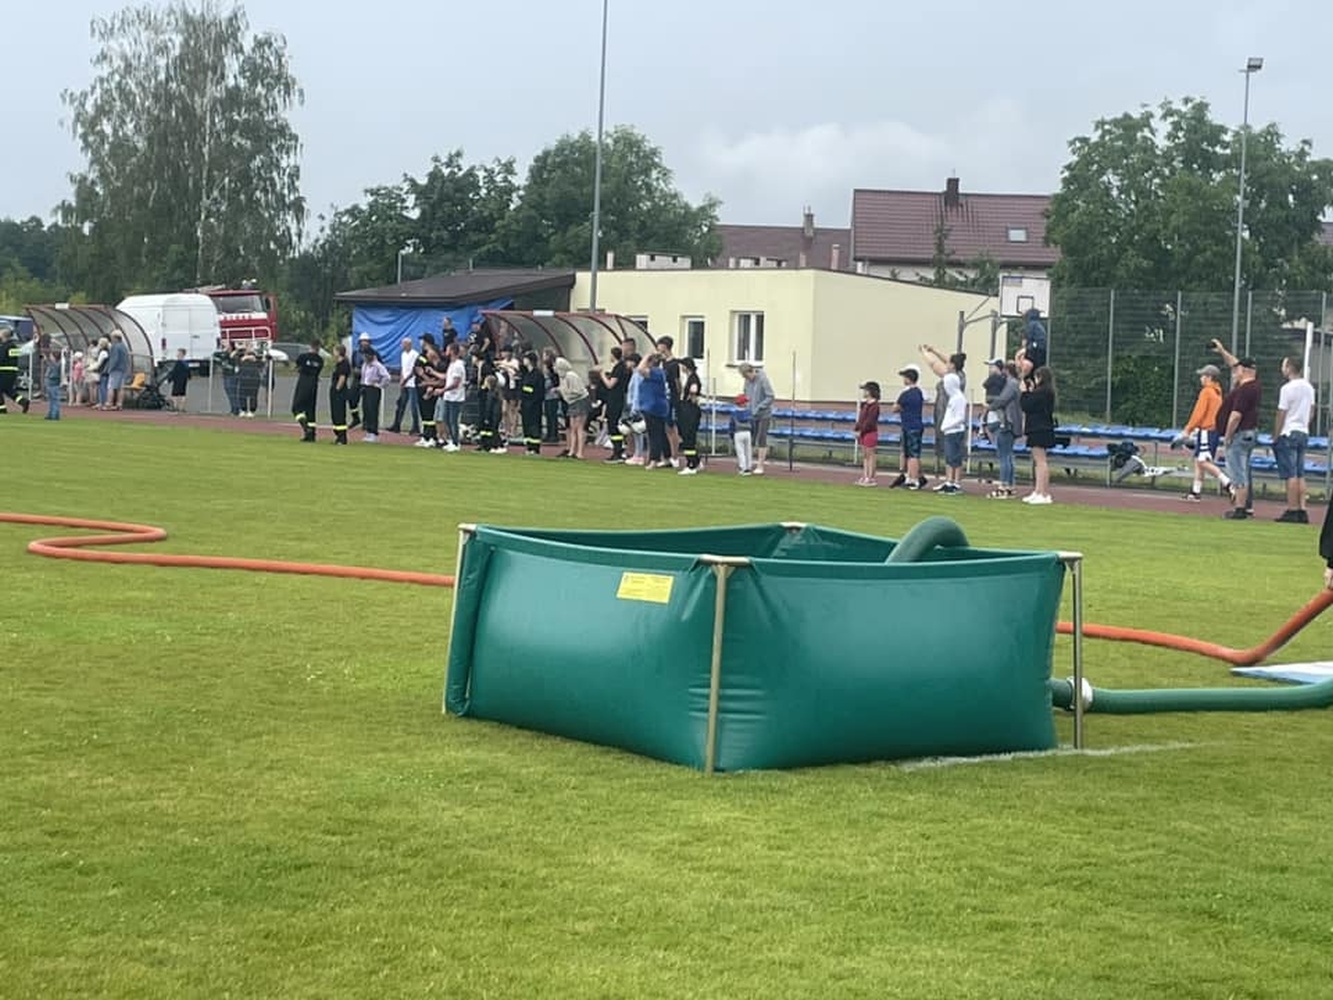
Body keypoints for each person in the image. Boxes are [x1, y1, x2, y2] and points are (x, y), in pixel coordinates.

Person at [1209, 340, 1261, 520]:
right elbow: (1235, 363)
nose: (1234, 372)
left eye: (1237, 370)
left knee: (1238, 471)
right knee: (1243, 469)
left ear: (1244, 370)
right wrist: (1222, 351)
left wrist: (1228, 435)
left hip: (1239, 434)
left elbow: (1236, 415)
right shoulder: (1253, 385)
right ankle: (1245, 506)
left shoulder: (1245, 389)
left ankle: (1240, 508)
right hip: (1248, 432)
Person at [1175, 364, 1227, 502]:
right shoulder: (1217, 392)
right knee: (1199, 461)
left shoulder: (1207, 392)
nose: (1201, 378)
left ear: (1209, 377)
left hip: (1206, 430)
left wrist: (1188, 429)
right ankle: (1195, 491)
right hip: (1213, 430)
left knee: (1202, 461)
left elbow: (1198, 413)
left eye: (1203, 376)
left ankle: (1227, 483)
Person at [1273, 355, 1316, 524]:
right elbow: (1312, 409)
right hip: (1302, 431)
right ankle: (1302, 508)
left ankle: (1292, 509)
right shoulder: (1309, 387)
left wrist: (1276, 434)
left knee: (1290, 474)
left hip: (1289, 431)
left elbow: (1282, 412)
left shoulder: (1287, 389)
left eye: (1284, 366)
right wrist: (1305, 423)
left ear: (1290, 368)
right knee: (1300, 473)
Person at [920, 346, 967, 494]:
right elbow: (946, 361)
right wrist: (934, 351)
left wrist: (925, 353)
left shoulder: (954, 378)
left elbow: (934, 365)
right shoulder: (955, 376)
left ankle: (954, 481)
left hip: (950, 421)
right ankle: (949, 480)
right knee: (948, 452)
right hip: (945, 416)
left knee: (954, 453)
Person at [1020, 365, 1057, 505]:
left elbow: (1026, 405)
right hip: (1040, 428)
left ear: (1040, 378)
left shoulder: (1043, 392)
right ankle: (1038, 490)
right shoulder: (1045, 392)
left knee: (1041, 461)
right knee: (1038, 462)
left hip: (1039, 428)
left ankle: (1044, 493)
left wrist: (1025, 393)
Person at [986, 361, 1022, 499]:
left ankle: (1003, 486)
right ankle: (1010, 486)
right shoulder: (1014, 383)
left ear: (1006, 370)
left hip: (1007, 423)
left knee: (1004, 456)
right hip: (1012, 423)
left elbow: (1002, 400)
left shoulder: (1011, 384)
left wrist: (990, 407)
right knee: (1008, 455)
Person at [888, 364, 927, 490]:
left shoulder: (906, 394)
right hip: (915, 424)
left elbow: (895, 408)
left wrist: (901, 408)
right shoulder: (919, 392)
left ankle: (913, 479)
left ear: (909, 379)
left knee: (912, 455)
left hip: (909, 425)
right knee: (911, 454)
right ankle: (912, 477)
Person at [738, 362, 775, 475]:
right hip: (751, 414)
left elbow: (770, 396)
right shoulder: (747, 381)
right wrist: (744, 404)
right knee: (751, 438)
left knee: (761, 438)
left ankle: (760, 465)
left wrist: (759, 407)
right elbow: (746, 395)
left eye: (747, 376)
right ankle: (747, 464)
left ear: (751, 371)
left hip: (764, 414)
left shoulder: (763, 379)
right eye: (744, 377)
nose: (747, 379)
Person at [636, 353, 671, 468]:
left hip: (652, 406)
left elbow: (640, 369)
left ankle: (654, 459)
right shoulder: (660, 373)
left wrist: (646, 356)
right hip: (656, 405)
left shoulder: (655, 372)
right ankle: (667, 457)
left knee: (653, 434)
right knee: (661, 433)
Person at [555, 356, 590, 459]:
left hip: (580, 401)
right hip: (572, 402)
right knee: (572, 427)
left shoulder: (571, 376)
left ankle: (580, 452)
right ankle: (571, 451)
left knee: (579, 427)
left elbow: (578, 391)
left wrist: (565, 392)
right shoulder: (563, 377)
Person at [601, 347, 631, 463]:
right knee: (614, 425)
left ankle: (617, 451)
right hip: (618, 399)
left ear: (613, 355)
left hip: (615, 400)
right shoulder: (623, 367)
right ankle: (618, 450)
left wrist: (602, 375)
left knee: (613, 425)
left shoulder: (618, 368)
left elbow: (610, 385)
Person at [387, 336, 421, 436]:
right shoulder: (403, 355)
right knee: (401, 404)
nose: (402, 346)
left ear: (409, 344)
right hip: (405, 383)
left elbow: (414, 369)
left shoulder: (415, 354)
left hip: (412, 383)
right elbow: (403, 368)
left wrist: (406, 379)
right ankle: (396, 424)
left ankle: (416, 427)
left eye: (404, 344)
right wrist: (402, 379)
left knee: (413, 406)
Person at [292, 340, 324, 442]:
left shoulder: (303, 357)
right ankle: (312, 435)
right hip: (314, 384)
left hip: (303, 383)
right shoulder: (320, 360)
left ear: (310, 346)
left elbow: (297, 367)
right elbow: (317, 372)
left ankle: (306, 428)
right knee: (310, 409)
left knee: (296, 408)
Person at [676, 356, 703, 475]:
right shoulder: (690, 377)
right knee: (686, 436)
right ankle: (696, 461)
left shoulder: (693, 378)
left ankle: (691, 464)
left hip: (689, 411)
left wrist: (692, 397)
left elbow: (694, 390)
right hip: (687, 409)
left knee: (688, 437)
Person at [439, 342, 466, 452]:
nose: (446, 352)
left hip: (456, 397)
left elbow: (456, 383)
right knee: (446, 419)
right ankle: (451, 440)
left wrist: (443, 390)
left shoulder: (458, 365)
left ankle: (456, 442)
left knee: (453, 420)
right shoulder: (451, 364)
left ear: (452, 351)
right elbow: (448, 377)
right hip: (449, 396)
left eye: (448, 349)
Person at [359, 346, 389, 442]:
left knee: (373, 410)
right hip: (366, 388)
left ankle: (373, 432)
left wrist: (379, 385)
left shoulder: (377, 365)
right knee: (366, 409)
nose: (363, 357)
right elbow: (363, 377)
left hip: (373, 389)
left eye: (365, 355)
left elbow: (386, 377)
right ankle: (368, 430)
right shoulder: (365, 365)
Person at [854, 381, 881, 486]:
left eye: (866, 390)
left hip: (870, 432)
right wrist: (857, 428)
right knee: (865, 455)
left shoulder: (875, 406)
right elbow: (861, 418)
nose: (864, 392)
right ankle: (865, 475)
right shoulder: (865, 405)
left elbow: (870, 421)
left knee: (870, 455)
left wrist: (861, 430)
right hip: (863, 432)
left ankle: (871, 477)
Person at [519, 351, 545, 455]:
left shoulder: (537, 374)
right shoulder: (526, 374)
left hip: (534, 406)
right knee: (526, 425)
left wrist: (528, 393)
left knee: (534, 426)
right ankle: (529, 447)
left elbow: (538, 391)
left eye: (525, 358)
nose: (523, 360)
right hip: (525, 405)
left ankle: (535, 448)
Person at [0, 326, 30, 414]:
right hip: (12, 372)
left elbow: (1, 359)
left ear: (4, 336)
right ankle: (23, 402)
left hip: (3, 372)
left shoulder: (4, 347)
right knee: (9, 390)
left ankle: (2, 409)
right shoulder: (14, 346)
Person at [329, 344, 351, 445]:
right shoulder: (338, 363)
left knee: (339, 414)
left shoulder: (344, 364)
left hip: (339, 392)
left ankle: (342, 437)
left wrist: (337, 389)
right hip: (334, 391)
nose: (333, 353)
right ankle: (338, 436)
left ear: (339, 352)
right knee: (335, 414)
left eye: (334, 351)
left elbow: (342, 378)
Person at [347, 333, 370, 430]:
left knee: (366, 402)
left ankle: (366, 422)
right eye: (363, 341)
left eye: (366, 341)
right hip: (357, 379)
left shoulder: (372, 353)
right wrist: (354, 371)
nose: (364, 343)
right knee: (351, 398)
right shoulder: (356, 353)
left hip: (367, 380)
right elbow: (352, 365)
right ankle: (355, 418)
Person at [103, 331, 130, 410]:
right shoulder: (124, 347)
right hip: (123, 369)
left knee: (111, 386)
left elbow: (114, 359)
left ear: (115, 338)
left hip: (115, 369)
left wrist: (109, 369)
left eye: (112, 337)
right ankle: (119, 404)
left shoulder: (115, 347)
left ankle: (109, 403)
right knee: (121, 388)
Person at [476, 374, 504, 452]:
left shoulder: (492, 394)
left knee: (493, 430)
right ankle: (486, 445)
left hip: (493, 416)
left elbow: (490, 406)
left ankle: (498, 445)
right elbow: (479, 395)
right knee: (488, 431)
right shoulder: (490, 392)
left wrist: (487, 417)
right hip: (492, 415)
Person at [730, 394, 754, 475]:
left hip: (738, 433)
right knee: (748, 451)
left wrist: (731, 435)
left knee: (740, 452)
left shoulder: (734, 413)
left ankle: (742, 467)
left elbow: (731, 425)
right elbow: (753, 424)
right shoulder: (749, 413)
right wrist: (753, 433)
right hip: (748, 432)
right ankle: (748, 467)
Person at [238, 349, 262, 417]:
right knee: (242, 396)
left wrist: (254, 358)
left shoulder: (256, 360)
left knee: (253, 396)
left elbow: (261, 364)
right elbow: (238, 361)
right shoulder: (241, 358)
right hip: (243, 379)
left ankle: (252, 410)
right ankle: (243, 410)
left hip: (254, 380)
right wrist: (245, 357)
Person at [43, 346, 62, 420]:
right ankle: (51, 414)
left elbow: (52, 371)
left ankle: (54, 415)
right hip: (52, 382)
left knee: (54, 399)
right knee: (52, 399)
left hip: (53, 382)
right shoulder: (55, 364)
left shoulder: (56, 364)